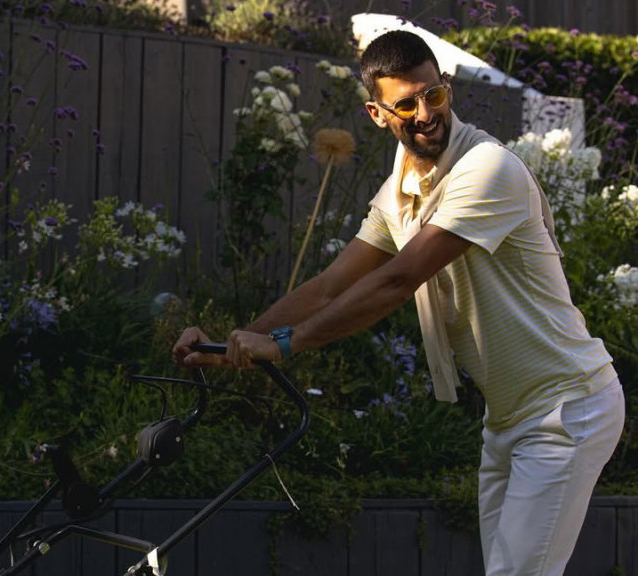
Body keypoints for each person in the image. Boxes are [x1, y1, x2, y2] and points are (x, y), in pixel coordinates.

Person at [172, 29, 625, 576]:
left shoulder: (487, 169)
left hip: (567, 408)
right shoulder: (403, 186)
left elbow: (399, 279)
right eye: (406, 104)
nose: (425, 113)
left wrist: (284, 344)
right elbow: (330, 285)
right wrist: (234, 344)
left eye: (434, 95)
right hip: (508, 419)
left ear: (447, 90)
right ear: (377, 113)